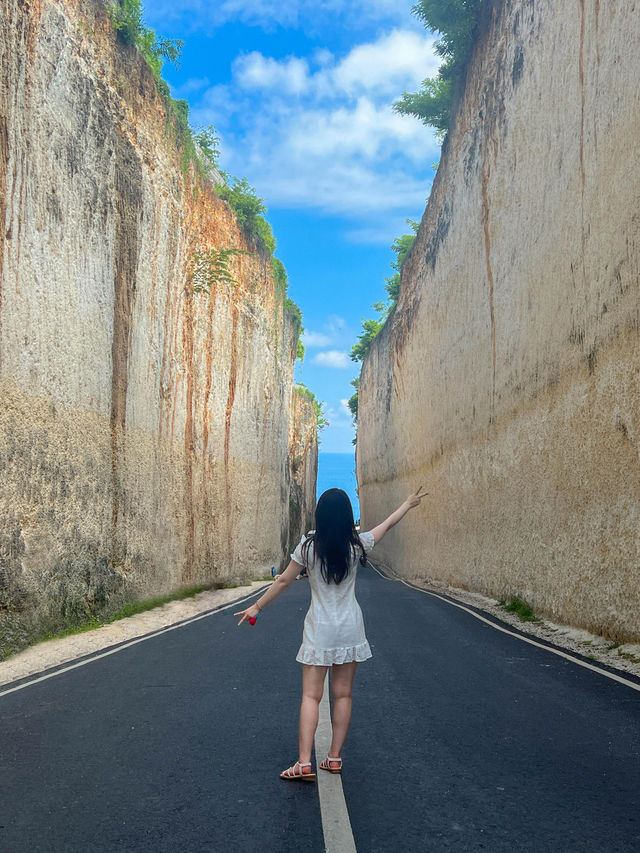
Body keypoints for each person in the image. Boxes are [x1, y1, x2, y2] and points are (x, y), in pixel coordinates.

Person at [235, 485, 428, 781]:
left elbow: (285, 580)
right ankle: (334, 758)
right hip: (351, 626)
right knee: (343, 695)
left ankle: (303, 763)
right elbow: (387, 524)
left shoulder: (308, 549)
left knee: (311, 697)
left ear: (320, 516)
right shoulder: (358, 545)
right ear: (348, 517)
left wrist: (257, 607)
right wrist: (407, 503)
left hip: (320, 629)